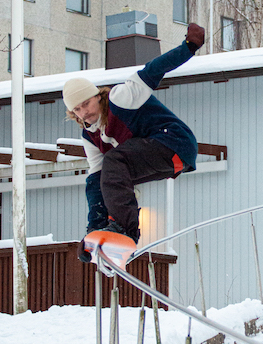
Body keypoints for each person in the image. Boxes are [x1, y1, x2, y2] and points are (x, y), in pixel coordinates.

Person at [63, 24, 205, 255]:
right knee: (105, 176)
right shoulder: (89, 136)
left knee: (114, 161)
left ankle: (125, 230)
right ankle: (109, 231)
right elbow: (97, 183)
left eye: (86, 104)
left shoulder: (120, 98)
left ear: (97, 97)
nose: (84, 112)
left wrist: (188, 47)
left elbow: (153, 70)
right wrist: (93, 232)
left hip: (175, 143)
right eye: (77, 110)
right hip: (162, 158)